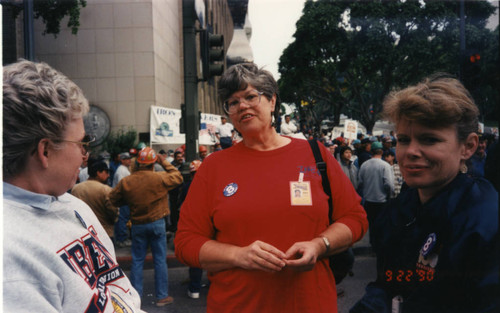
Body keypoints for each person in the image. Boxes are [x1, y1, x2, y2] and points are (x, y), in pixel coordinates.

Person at [174, 63, 368, 313]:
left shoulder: (314, 154)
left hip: (310, 304)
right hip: (237, 306)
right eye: (232, 102)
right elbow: (186, 242)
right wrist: (239, 255)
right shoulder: (213, 167)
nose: (241, 105)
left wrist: (319, 245)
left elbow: (355, 218)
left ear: (272, 100)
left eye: (250, 96)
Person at [2, 60, 143, 312]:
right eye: (80, 144)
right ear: (45, 150)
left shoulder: (74, 205)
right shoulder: (9, 265)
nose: (84, 156)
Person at [351, 76, 499, 313]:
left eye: (429, 139)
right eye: (403, 140)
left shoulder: (486, 223)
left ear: (468, 147)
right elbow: (389, 283)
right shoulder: (401, 209)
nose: (411, 151)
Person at [109, 147, 183, 307]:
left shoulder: (127, 181)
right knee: (159, 260)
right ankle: (162, 296)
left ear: (138, 163)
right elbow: (177, 177)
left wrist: (130, 201)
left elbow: (113, 199)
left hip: (137, 224)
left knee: (137, 260)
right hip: (157, 223)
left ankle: (136, 298)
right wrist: (163, 161)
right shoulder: (159, 178)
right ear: (153, 163)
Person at [357, 141, 395, 246]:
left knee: (372, 224)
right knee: (382, 224)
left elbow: (360, 183)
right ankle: (380, 245)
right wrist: (391, 196)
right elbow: (389, 184)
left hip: (369, 200)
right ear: (382, 152)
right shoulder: (385, 166)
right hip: (382, 201)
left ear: (371, 152)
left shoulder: (364, 165)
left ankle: (373, 244)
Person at [71, 159, 119, 240]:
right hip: (104, 232)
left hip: (84, 233)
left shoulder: (76, 189)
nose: (108, 175)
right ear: (98, 173)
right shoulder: (105, 190)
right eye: (106, 172)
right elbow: (113, 211)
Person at [178, 160, 205, 299]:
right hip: (209, 223)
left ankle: (195, 288)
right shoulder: (209, 184)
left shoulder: (187, 186)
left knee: (196, 257)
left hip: (193, 224)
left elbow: (181, 203)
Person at [113, 151, 132, 247]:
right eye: (127, 159)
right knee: (122, 219)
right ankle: (121, 240)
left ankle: (122, 238)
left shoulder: (124, 169)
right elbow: (122, 186)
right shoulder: (121, 170)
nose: (129, 160)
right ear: (122, 160)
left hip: (124, 198)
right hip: (122, 198)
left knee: (124, 219)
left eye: (129, 158)